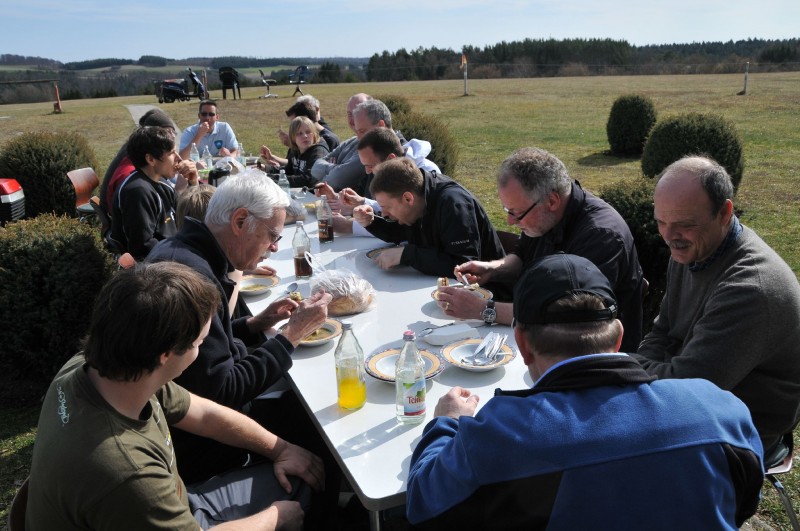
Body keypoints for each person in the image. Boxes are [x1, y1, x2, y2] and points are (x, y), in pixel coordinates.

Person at [406, 253, 764, 530]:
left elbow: (424, 505)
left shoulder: (500, 434)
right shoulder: (721, 411)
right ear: (619, 336)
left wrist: (446, 423)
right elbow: (741, 505)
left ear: (522, 345)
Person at [26, 261, 323, 530]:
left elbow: (204, 414)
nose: (202, 351)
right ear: (166, 354)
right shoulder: (128, 471)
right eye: (201, 342)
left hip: (171, 502)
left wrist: (281, 450)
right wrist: (276, 517)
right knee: (301, 493)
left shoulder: (106, 368)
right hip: (168, 510)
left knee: (300, 472)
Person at [632, 155, 800, 454]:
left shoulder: (750, 288)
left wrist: (626, 369)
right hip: (697, 402)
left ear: (724, 213)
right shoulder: (692, 249)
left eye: (685, 224)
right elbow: (663, 331)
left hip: (742, 429)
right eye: (661, 222)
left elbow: (689, 390)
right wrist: (635, 370)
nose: (669, 236)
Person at [436, 147, 644, 352]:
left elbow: (567, 316)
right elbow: (522, 255)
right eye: (507, 211)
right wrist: (493, 269)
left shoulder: (600, 236)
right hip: (543, 338)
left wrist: (484, 310)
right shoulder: (545, 215)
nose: (510, 221)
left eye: (516, 213)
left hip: (589, 353)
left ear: (552, 201)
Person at [352, 157, 505, 277]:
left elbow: (464, 265)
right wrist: (371, 222)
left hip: (489, 293)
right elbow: (401, 231)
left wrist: (407, 254)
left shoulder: (454, 204)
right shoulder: (419, 197)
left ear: (408, 198)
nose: (384, 213)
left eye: (387, 207)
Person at [110, 125, 199, 261]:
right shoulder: (138, 192)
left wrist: (193, 183)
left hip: (173, 252)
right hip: (158, 266)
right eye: (171, 153)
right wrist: (183, 254)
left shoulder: (161, 183)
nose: (179, 158)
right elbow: (142, 247)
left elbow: (186, 215)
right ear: (151, 159)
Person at [100, 108, 179, 218]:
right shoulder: (134, 182)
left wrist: (192, 183)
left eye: (173, 132)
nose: (172, 137)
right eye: (168, 132)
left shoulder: (148, 171)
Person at [309, 93, 372, 190]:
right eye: (349, 114)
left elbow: (335, 180)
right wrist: (337, 168)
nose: (352, 120)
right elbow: (315, 167)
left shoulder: (369, 148)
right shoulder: (351, 141)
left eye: (357, 114)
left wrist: (332, 171)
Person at [260, 116, 330, 188]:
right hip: (301, 192)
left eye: (308, 132)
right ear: (293, 138)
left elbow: (307, 180)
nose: (305, 136)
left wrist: (269, 178)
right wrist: (266, 168)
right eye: (299, 133)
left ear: (314, 134)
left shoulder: (319, 153)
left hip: (316, 193)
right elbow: (289, 170)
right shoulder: (296, 149)